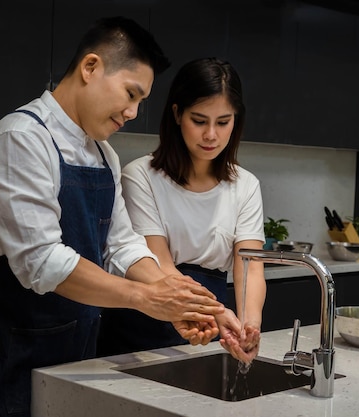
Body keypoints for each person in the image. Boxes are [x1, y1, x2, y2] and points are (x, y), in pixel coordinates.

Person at [0, 17, 225, 417]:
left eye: (141, 102)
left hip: (79, 342)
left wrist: (184, 300)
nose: (134, 112)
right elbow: (43, 261)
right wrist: (148, 298)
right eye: (131, 94)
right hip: (14, 343)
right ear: (90, 67)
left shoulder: (104, 154)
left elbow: (122, 244)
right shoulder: (21, 139)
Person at [97, 57, 266, 365]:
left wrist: (248, 326)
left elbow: (251, 267)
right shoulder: (141, 176)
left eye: (223, 122)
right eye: (199, 121)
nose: (211, 135)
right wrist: (215, 311)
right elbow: (159, 263)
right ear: (176, 114)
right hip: (140, 325)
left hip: (205, 325)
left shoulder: (246, 185)